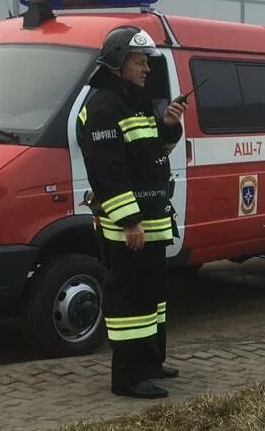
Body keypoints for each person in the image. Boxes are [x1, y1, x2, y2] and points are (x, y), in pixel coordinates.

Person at [77, 26, 185, 399]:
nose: (146, 70)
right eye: (140, 62)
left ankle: (151, 362)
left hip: (152, 220)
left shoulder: (136, 102)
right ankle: (127, 376)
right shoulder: (102, 108)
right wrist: (129, 221)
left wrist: (169, 128)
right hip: (131, 226)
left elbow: (152, 156)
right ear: (119, 63)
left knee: (153, 297)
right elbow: (108, 172)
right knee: (129, 300)